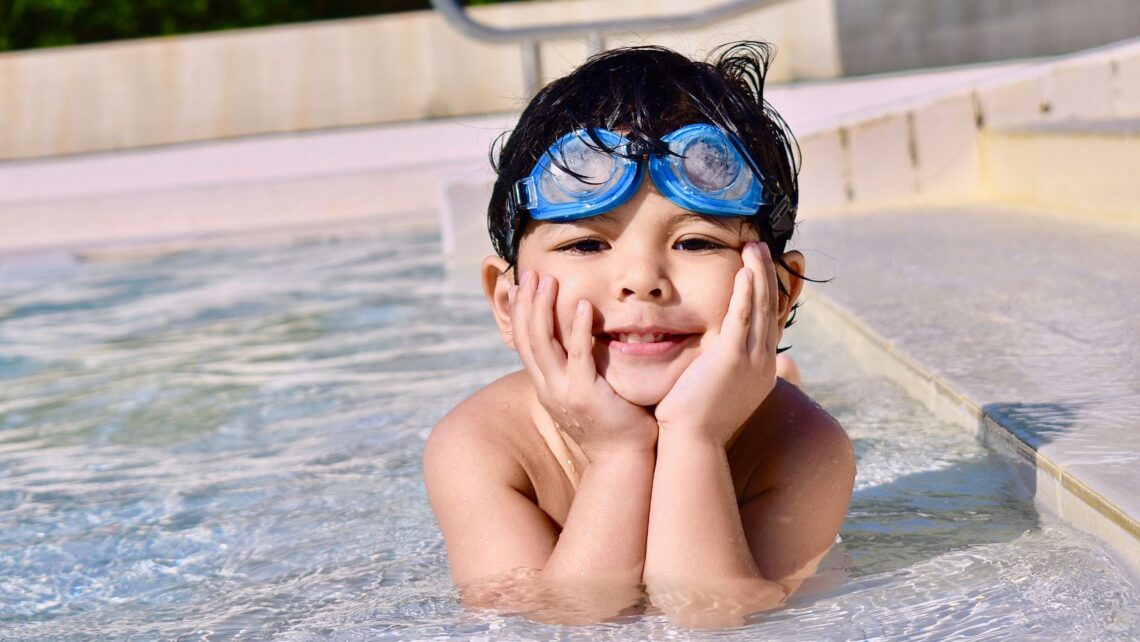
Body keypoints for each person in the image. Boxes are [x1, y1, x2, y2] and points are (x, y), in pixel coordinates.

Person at [423, 41, 855, 627]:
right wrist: (618, 454)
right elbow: (552, 625)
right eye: (585, 243)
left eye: (696, 242)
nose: (641, 281)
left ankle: (777, 373)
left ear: (778, 294)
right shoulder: (483, 446)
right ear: (507, 300)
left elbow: (712, 616)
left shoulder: (804, 446)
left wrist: (695, 437)